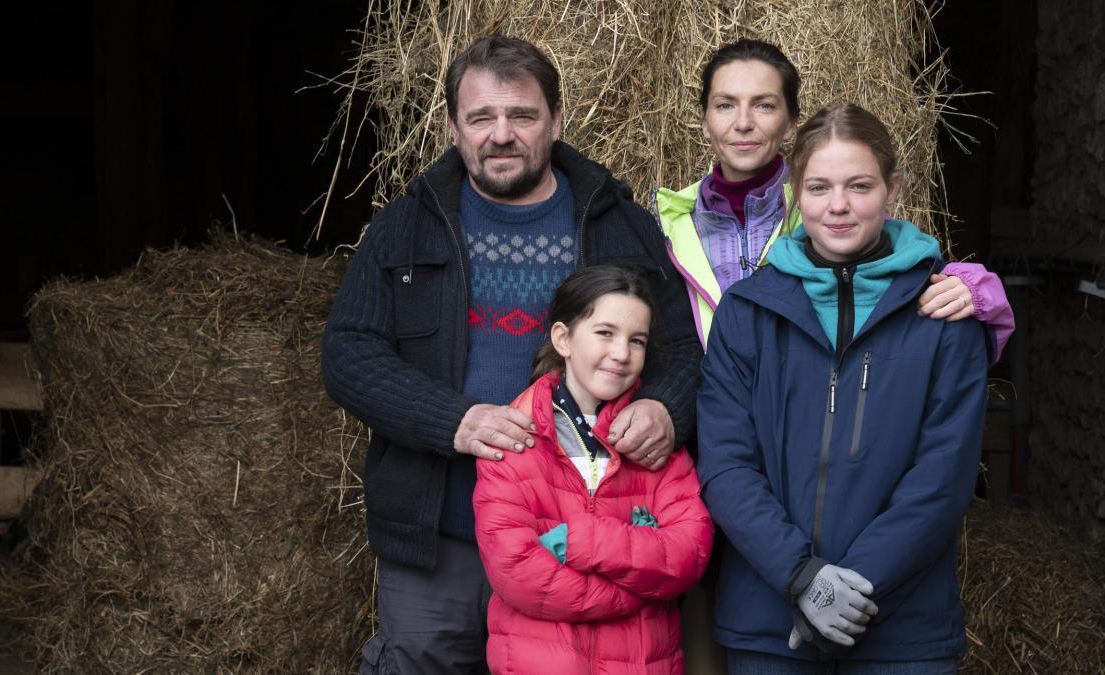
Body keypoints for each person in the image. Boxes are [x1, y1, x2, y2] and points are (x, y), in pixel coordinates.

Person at [321, 36, 702, 673]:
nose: (502, 135)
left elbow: (682, 351)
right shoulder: (406, 226)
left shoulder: (618, 224)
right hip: (443, 532)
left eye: (522, 116)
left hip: (581, 535)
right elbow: (349, 355)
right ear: (452, 127)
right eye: (481, 118)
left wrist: (666, 408)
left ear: (555, 119)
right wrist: (455, 420)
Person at [697, 103, 988, 673]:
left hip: (902, 630)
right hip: (769, 623)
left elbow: (943, 477)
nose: (838, 206)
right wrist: (801, 576)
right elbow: (726, 461)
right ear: (794, 194)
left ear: (893, 188)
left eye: (859, 186)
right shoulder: (749, 311)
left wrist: (858, 586)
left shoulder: (944, 315)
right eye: (819, 186)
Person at [653, 39, 1015, 354]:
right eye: (725, 105)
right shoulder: (669, 222)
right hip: (708, 421)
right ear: (703, 120)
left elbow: (903, 257)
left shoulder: (823, 207)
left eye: (764, 105)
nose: (743, 122)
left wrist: (979, 289)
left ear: (792, 121)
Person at [472, 265, 714, 674]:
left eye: (636, 340)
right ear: (563, 338)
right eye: (605, 333)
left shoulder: (656, 445)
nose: (621, 353)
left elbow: (689, 554)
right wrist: (639, 583)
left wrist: (581, 540)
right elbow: (518, 573)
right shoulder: (514, 438)